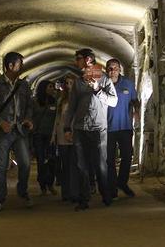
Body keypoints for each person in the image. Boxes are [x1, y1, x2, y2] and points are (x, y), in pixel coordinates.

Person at [64, 48, 118, 211]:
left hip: (98, 128)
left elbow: (114, 101)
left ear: (88, 60)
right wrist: (67, 127)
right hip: (80, 128)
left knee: (100, 164)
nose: (76, 62)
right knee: (82, 165)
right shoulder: (78, 81)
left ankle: (105, 195)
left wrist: (97, 89)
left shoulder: (104, 79)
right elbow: (72, 106)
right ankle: (84, 199)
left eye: (78, 59)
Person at [0, 52, 34, 211]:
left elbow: (30, 105)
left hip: (19, 130)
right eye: (20, 64)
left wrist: (28, 118)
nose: (22, 66)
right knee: (1, 166)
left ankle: (22, 191)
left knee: (25, 163)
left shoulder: (24, 86)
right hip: (2, 132)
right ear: (10, 66)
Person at [106, 58, 140, 198]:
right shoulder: (102, 84)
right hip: (107, 128)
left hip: (125, 127)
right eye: (110, 68)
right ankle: (112, 187)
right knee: (110, 159)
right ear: (106, 69)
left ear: (120, 69)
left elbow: (135, 100)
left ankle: (122, 182)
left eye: (115, 68)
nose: (112, 70)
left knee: (127, 156)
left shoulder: (128, 84)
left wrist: (136, 111)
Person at [51, 75, 77, 201]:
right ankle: (66, 193)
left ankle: (74, 192)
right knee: (65, 165)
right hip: (62, 134)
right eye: (67, 83)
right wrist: (53, 135)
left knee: (75, 165)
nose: (68, 85)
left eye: (71, 82)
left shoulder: (79, 99)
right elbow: (57, 119)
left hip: (76, 134)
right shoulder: (61, 100)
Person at [32, 80, 58, 196]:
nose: (52, 89)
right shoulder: (35, 102)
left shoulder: (55, 102)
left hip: (51, 136)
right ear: (43, 88)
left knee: (51, 161)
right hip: (38, 135)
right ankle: (42, 185)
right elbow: (31, 116)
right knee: (41, 161)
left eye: (53, 87)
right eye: (50, 87)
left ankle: (50, 184)